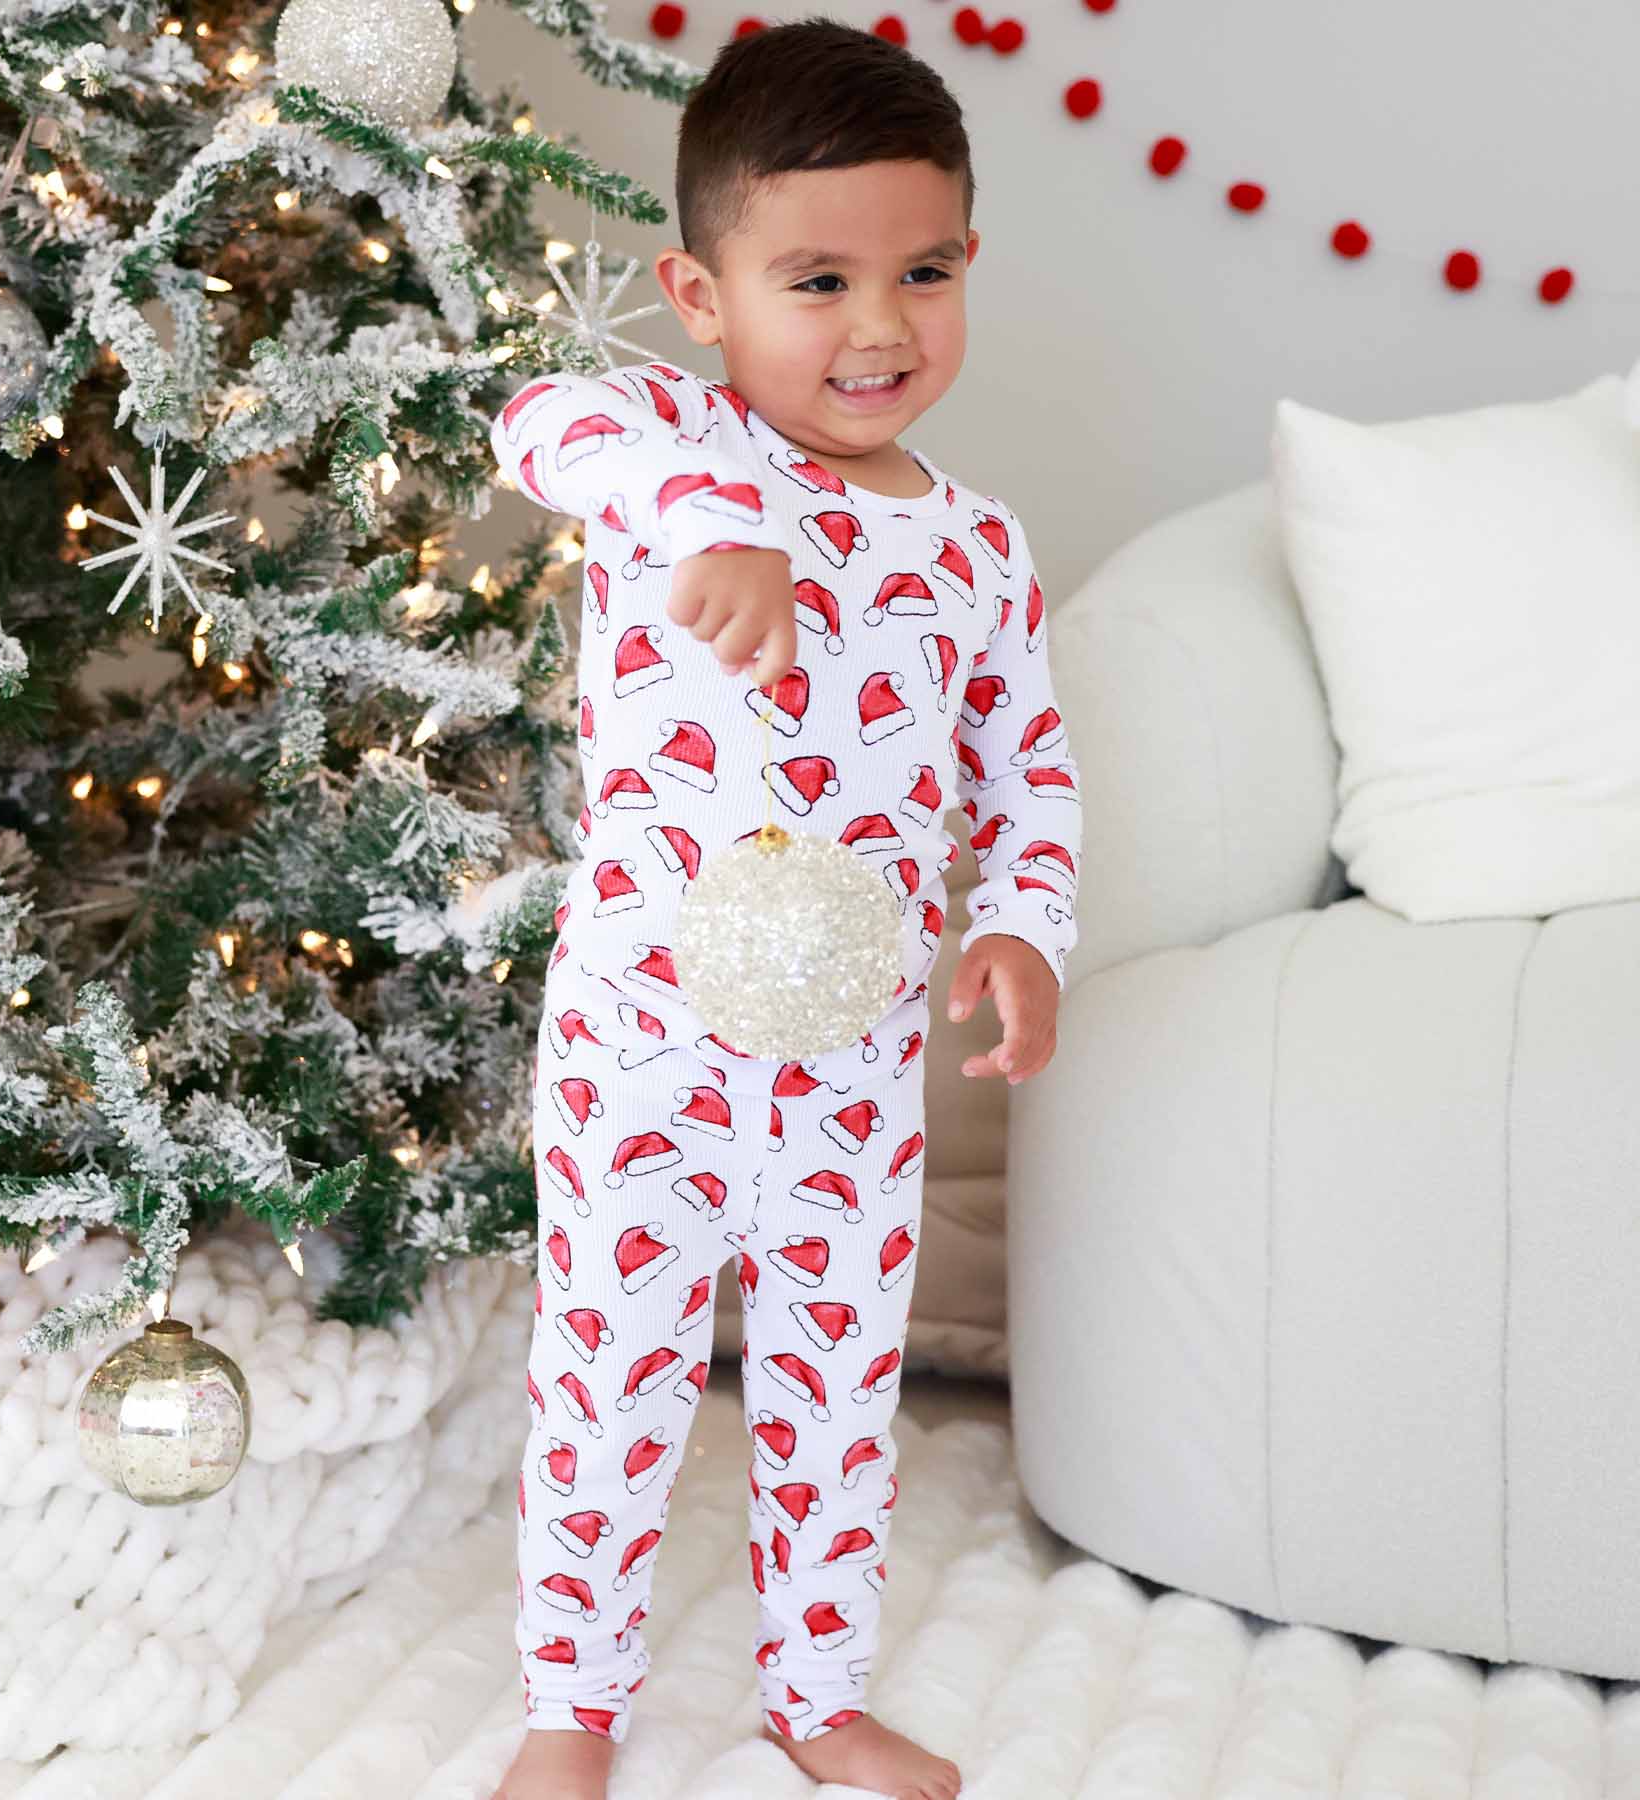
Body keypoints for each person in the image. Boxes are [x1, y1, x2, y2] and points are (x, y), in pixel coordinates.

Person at [486, 16, 1080, 1798]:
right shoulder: (665, 440)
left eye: (925, 272)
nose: (880, 326)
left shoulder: (978, 547)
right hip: (642, 1045)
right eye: (818, 280)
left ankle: (818, 1695)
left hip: (851, 1063)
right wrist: (712, 513)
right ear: (701, 293)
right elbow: (533, 421)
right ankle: (570, 1712)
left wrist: (1023, 927)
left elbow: (1028, 776)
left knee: (836, 1387)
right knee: (611, 1376)